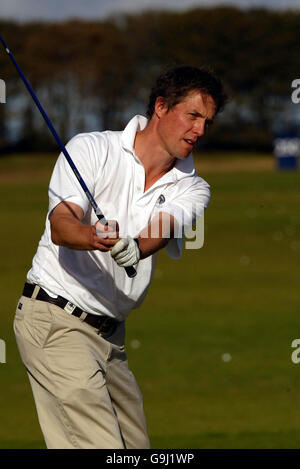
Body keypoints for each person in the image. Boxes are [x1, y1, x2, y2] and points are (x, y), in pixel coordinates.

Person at [14, 65, 227, 449]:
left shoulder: (195, 187)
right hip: (55, 320)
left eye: (207, 122)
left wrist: (133, 246)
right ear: (161, 107)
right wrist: (93, 236)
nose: (199, 130)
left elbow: (158, 232)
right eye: (192, 116)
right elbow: (61, 226)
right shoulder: (91, 147)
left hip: (111, 338)